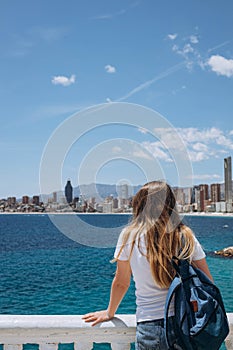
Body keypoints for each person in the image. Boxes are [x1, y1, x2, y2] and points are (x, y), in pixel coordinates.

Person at [82, 181, 213, 349]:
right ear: (170, 204)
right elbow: (207, 282)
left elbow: (122, 282)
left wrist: (109, 313)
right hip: (187, 323)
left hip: (150, 325)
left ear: (139, 205)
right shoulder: (184, 235)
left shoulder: (130, 235)